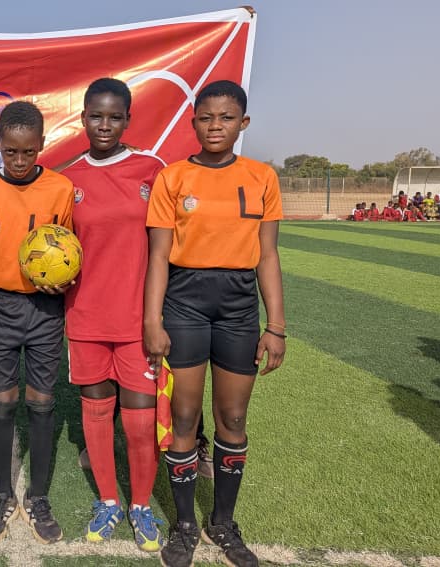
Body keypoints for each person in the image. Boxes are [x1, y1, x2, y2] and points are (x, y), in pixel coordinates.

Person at [144, 80, 286, 567]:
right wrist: (152, 319)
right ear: (193, 123)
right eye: (206, 118)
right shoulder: (173, 178)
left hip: (238, 310)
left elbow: (268, 255)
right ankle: (185, 524)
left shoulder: (262, 177)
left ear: (243, 122)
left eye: (226, 118)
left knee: (233, 419)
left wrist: (276, 325)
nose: (215, 126)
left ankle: (223, 523)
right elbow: (158, 256)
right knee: (184, 418)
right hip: (184, 304)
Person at [57, 78, 167, 552]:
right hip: (85, 318)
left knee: (140, 423)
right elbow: (57, 245)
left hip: (138, 322)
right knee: (97, 414)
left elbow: (165, 249)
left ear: (127, 120)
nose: (105, 125)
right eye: (96, 116)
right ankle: (108, 500)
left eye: (114, 117)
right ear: (83, 118)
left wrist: (156, 318)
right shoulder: (68, 179)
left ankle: (140, 505)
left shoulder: (152, 170)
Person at [0, 101, 75, 544]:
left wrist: (65, 280)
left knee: (42, 401)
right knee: (3, 400)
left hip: (45, 310)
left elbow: (68, 248)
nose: (21, 160)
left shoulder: (61, 189)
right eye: (11, 152)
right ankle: (3, 494)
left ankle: (39, 497)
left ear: (42, 144)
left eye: (29, 152)